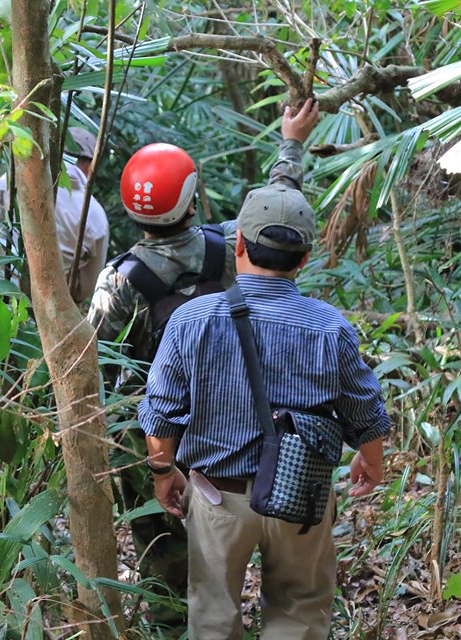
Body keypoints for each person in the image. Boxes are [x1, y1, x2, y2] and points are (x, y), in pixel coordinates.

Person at [86, 100, 320, 628]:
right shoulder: (231, 247)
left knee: (165, 550)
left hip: (151, 430)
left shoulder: (119, 282)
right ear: (192, 201)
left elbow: (95, 364)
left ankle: (175, 626)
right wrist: (291, 141)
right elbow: (279, 215)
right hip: (229, 413)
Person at [137, 179, 392, 639]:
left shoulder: (193, 319)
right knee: (299, 609)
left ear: (238, 244)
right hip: (303, 494)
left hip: (218, 496)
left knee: (213, 616)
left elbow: (161, 411)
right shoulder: (329, 326)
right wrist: (370, 461)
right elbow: (365, 409)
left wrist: (163, 473)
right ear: (305, 258)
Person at [0, 126, 108, 302]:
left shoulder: (13, 180)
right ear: (89, 165)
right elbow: (86, 286)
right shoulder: (95, 214)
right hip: (53, 306)